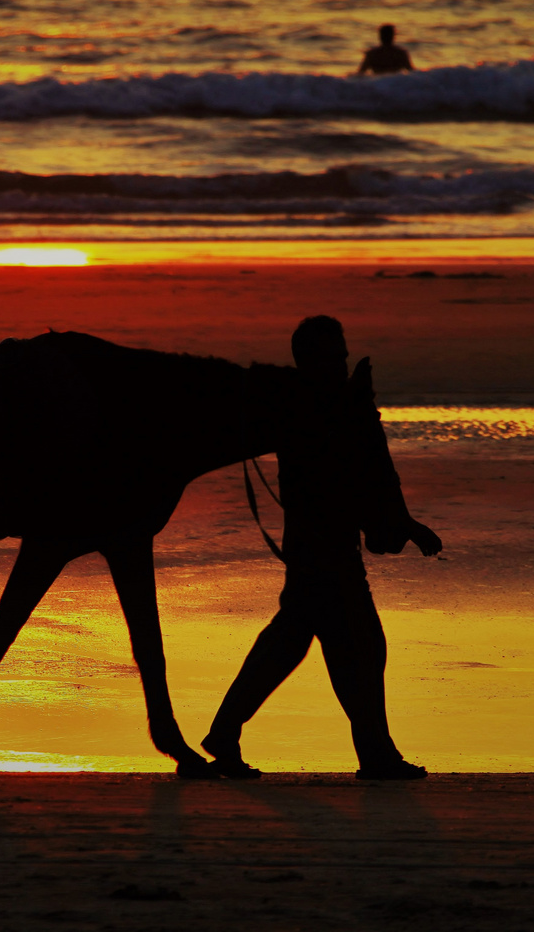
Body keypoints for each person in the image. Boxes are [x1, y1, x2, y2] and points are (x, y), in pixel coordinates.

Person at [202, 316, 440, 781]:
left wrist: (359, 404)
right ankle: (374, 753)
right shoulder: (315, 409)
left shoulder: (312, 404)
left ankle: (228, 731)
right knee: (358, 646)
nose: (342, 362)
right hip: (323, 549)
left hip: (317, 547)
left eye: (343, 355)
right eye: (334, 356)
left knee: (301, 644)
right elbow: (357, 472)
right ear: (312, 360)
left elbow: (362, 469)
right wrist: (404, 523)